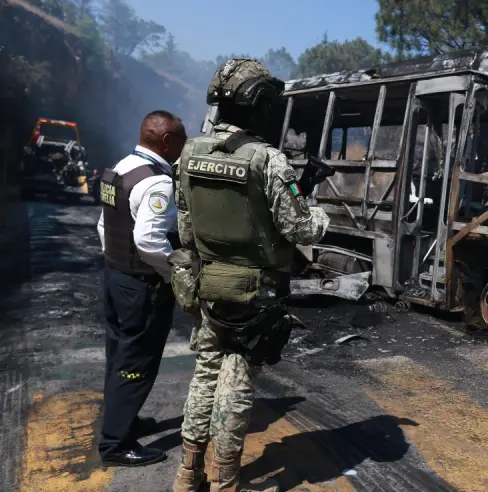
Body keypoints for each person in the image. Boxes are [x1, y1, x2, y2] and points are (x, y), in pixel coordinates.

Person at [170, 58, 329, 492]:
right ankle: (225, 481)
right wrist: (318, 212)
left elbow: (185, 227)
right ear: (258, 106)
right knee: (235, 384)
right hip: (253, 293)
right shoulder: (269, 161)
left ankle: (187, 474)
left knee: (204, 374)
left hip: (206, 285)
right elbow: (301, 228)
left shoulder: (188, 153)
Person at [96, 110, 187, 466]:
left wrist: (118, 263)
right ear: (167, 142)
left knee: (118, 354)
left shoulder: (119, 168)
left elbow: (105, 226)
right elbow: (149, 240)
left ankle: (122, 421)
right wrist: (172, 273)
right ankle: (116, 445)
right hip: (140, 286)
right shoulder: (158, 182)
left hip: (115, 277)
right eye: (181, 139)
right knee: (136, 363)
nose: (183, 146)